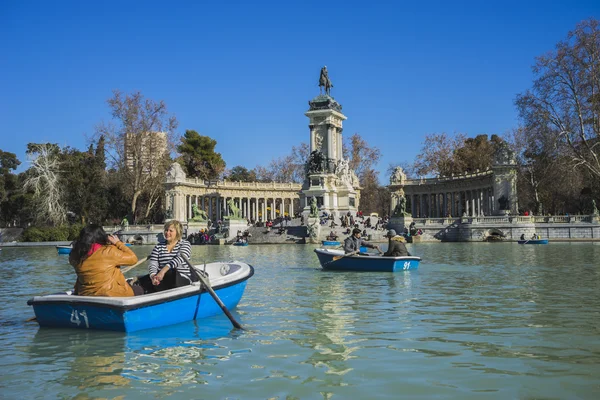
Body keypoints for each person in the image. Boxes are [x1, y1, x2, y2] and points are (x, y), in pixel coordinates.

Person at [69, 224, 141, 296]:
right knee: (139, 289)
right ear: (101, 236)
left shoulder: (76, 255)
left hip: (84, 293)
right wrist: (118, 243)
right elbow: (133, 259)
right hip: (110, 293)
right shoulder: (108, 251)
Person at [138, 220, 194, 293]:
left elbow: (179, 259)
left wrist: (163, 271)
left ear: (177, 232)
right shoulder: (158, 247)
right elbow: (153, 263)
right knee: (143, 281)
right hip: (162, 278)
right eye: (166, 230)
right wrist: (153, 276)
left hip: (181, 277)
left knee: (172, 272)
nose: (167, 233)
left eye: (171, 231)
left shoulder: (185, 244)